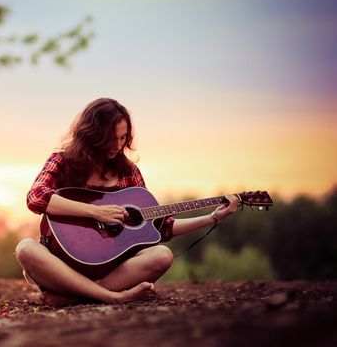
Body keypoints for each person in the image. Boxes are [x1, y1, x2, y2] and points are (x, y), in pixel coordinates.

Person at [15, 98, 239, 306]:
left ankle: (73, 296)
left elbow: (163, 226)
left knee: (162, 255)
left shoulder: (128, 173)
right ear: (92, 134)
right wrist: (96, 212)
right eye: (112, 138)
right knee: (25, 248)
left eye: (123, 138)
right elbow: (36, 197)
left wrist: (214, 217)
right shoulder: (62, 161)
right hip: (63, 264)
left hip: (109, 269)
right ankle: (112, 297)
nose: (118, 145)